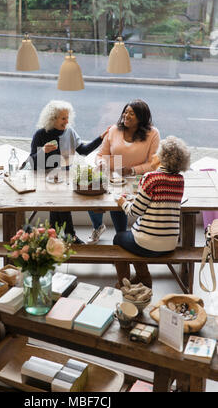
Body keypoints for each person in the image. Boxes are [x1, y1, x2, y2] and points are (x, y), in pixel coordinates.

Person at [113, 135, 191, 288]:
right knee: (135, 236)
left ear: (163, 158)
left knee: (119, 238)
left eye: (157, 153)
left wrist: (121, 202)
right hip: (170, 243)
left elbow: (134, 212)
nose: (153, 156)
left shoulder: (151, 178)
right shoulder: (180, 180)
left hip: (148, 244)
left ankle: (125, 284)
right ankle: (143, 278)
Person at [30, 100, 109, 244]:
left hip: (64, 177)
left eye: (67, 117)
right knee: (59, 202)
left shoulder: (70, 132)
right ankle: (68, 235)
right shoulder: (40, 135)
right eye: (63, 118)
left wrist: (101, 138)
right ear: (53, 118)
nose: (67, 121)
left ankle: (55, 235)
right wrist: (43, 151)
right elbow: (33, 164)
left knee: (59, 203)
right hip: (44, 178)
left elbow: (84, 151)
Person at [87, 99, 160, 244]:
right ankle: (98, 227)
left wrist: (132, 170)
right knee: (92, 195)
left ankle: (121, 237)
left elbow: (154, 164)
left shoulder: (153, 133)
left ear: (141, 117)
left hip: (134, 178)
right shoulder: (114, 130)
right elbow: (101, 155)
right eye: (125, 112)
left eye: (131, 113)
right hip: (111, 174)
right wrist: (101, 163)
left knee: (118, 202)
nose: (126, 116)